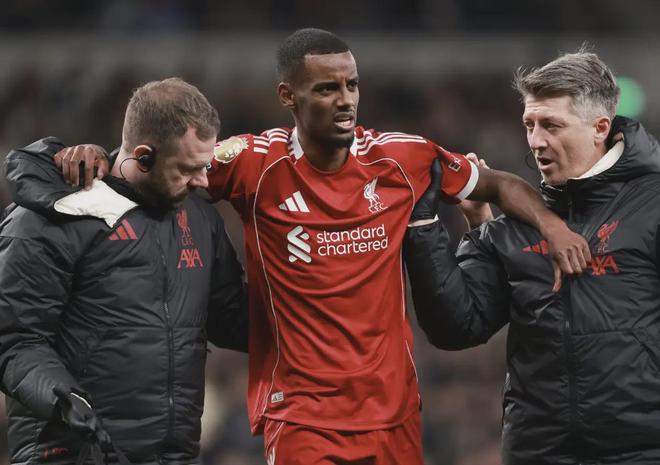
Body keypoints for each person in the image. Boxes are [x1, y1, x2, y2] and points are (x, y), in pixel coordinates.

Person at [42, 29, 590, 464]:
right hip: (302, 416)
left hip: (393, 411)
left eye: (351, 85)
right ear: (289, 96)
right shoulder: (252, 163)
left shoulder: (402, 158)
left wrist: (553, 226)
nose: (345, 100)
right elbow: (162, 166)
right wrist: (99, 155)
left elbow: (497, 183)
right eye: (327, 89)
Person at [404, 48, 660, 464]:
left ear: (599, 128)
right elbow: (455, 328)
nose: (536, 141)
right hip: (538, 451)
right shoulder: (512, 228)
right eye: (530, 124)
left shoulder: (652, 205)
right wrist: (425, 226)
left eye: (552, 125)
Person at [0, 78, 247, 465]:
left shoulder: (201, 221)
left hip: (175, 455)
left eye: (205, 167)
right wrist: (63, 399)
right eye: (187, 169)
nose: (202, 181)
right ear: (143, 157)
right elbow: (14, 338)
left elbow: (233, 320)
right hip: (73, 452)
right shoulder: (53, 214)